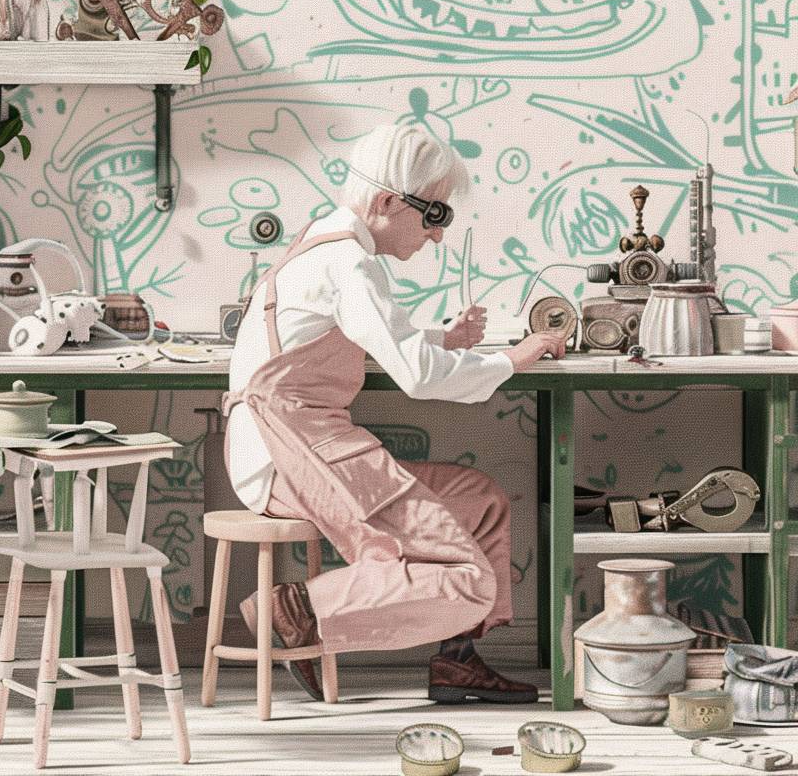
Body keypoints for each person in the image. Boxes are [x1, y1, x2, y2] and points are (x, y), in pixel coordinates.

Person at [225, 123, 566, 704]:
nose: (436, 234)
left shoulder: (328, 244)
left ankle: (457, 662)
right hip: (291, 452)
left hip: (305, 441)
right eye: (434, 214)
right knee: (468, 582)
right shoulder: (349, 263)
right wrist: (517, 355)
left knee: (478, 500)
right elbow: (419, 375)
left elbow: (371, 337)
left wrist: (444, 339)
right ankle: (294, 611)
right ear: (386, 201)